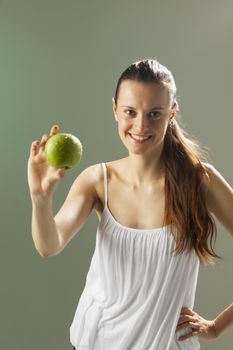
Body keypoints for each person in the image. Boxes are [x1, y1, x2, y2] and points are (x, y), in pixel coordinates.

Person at [27, 58, 233, 349]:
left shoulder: (201, 182)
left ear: (172, 112)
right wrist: (40, 198)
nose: (140, 125)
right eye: (130, 112)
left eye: (154, 114)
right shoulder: (98, 180)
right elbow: (49, 245)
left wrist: (216, 328)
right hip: (93, 342)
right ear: (115, 109)